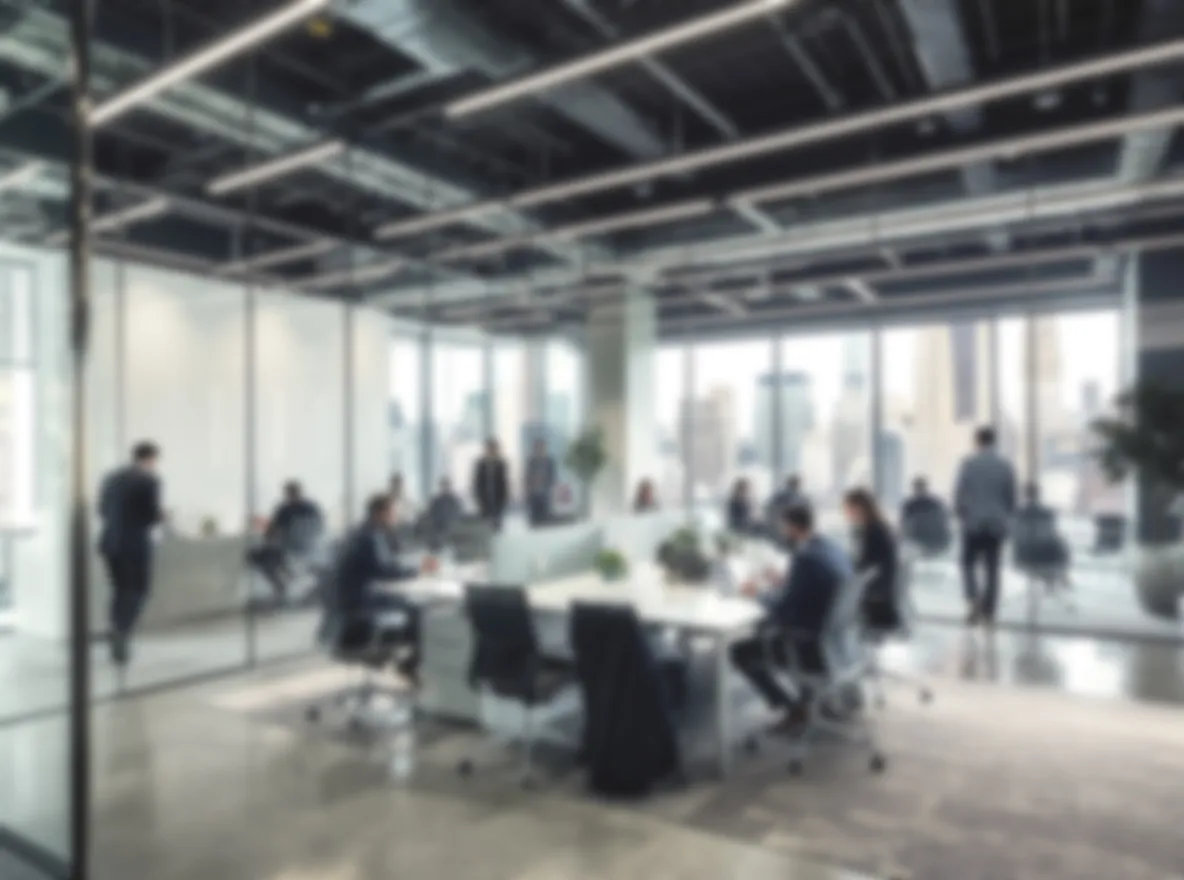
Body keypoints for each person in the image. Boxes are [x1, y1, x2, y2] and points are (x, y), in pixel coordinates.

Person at [730, 505, 853, 731]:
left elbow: (781, 612)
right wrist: (786, 582)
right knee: (767, 632)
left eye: (784, 527)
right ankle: (812, 700)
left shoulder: (804, 557)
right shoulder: (830, 547)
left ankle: (794, 709)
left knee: (740, 652)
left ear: (793, 527)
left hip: (811, 647)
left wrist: (756, 593)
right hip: (838, 643)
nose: (783, 532)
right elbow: (814, 586)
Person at [332, 494, 437, 681]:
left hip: (348, 605)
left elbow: (384, 563)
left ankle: (399, 658)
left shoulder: (360, 532)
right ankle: (407, 664)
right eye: (393, 513)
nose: (396, 518)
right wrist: (420, 569)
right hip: (362, 607)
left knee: (412, 607)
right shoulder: (371, 536)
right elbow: (386, 570)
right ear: (380, 514)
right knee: (422, 613)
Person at [97, 441, 164, 665]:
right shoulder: (149, 480)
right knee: (139, 591)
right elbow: (151, 516)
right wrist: (162, 516)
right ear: (151, 458)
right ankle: (121, 633)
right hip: (134, 544)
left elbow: (102, 510)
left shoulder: (111, 478)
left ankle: (116, 628)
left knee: (120, 590)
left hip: (109, 542)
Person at [953, 426, 1017, 626]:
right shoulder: (1005, 465)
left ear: (978, 441)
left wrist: (961, 514)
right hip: (996, 524)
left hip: (973, 523)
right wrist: (1005, 517)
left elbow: (959, 493)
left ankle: (973, 601)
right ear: (994, 440)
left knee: (968, 564)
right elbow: (1011, 498)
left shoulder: (969, 464)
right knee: (992, 569)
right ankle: (989, 611)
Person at [248, 481, 323, 603]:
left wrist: (262, 526)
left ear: (288, 494)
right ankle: (290, 576)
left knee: (255, 555)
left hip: (290, 549)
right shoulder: (312, 509)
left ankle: (281, 586)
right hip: (311, 550)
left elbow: (271, 532)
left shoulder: (285, 510)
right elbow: (320, 529)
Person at [843, 488, 900, 630]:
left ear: (859, 508)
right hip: (882, 592)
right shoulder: (878, 527)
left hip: (875, 597)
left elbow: (863, 566)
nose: (846, 513)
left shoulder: (872, 532)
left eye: (848, 508)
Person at [471, 438, 509, 530]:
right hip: (484, 500)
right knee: (485, 526)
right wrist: (478, 497)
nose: (492, 450)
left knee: (497, 525)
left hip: (498, 500)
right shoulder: (481, 464)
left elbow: (504, 483)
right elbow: (477, 483)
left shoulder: (500, 464)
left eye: (494, 448)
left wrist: (504, 499)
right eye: (490, 448)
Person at [524, 438, 557, 527]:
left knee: (545, 519)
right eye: (537, 447)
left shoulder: (549, 461)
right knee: (534, 520)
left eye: (541, 447)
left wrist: (544, 481)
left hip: (545, 493)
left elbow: (553, 477)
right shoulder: (531, 461)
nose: (539, 449)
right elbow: (527, 477)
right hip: (533, 494)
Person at [424, 477, 463, 544]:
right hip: (438, 530)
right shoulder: (436, 501)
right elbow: (431, 515)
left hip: (452, 530)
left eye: (446, 485)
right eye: (443, 485)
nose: (445, 488)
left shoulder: (454, 501)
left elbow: (459, 516)